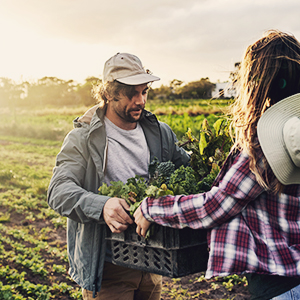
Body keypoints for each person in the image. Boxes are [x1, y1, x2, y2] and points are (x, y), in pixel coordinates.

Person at [134, 30, 300, 300]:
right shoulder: (296, 134)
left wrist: (151, 207)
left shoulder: (268, 142)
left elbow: (214, 206)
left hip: (280, 286)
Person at [47, 52, 190, 300]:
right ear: (109, 93)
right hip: (109, 267)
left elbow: (190, 171)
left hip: (153, 262)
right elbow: (58, 191)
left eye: (144, 91)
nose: (140, 100)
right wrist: (102, 206)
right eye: (131, 93)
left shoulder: (160, 133)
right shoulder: (83, 138)